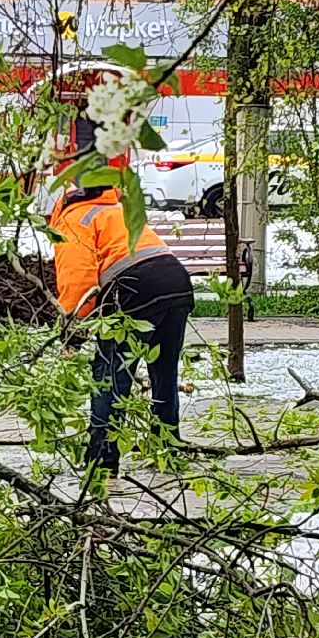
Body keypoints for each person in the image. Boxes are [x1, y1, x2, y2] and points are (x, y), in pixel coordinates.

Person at [45, 182, 194, 477]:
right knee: (164, 373)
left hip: (133, 290)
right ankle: (167, 449)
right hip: (176, 283)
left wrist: (72, 335)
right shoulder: (114, 210)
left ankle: (102, 460)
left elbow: (78, 282)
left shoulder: (73, 221)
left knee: (110, 377)